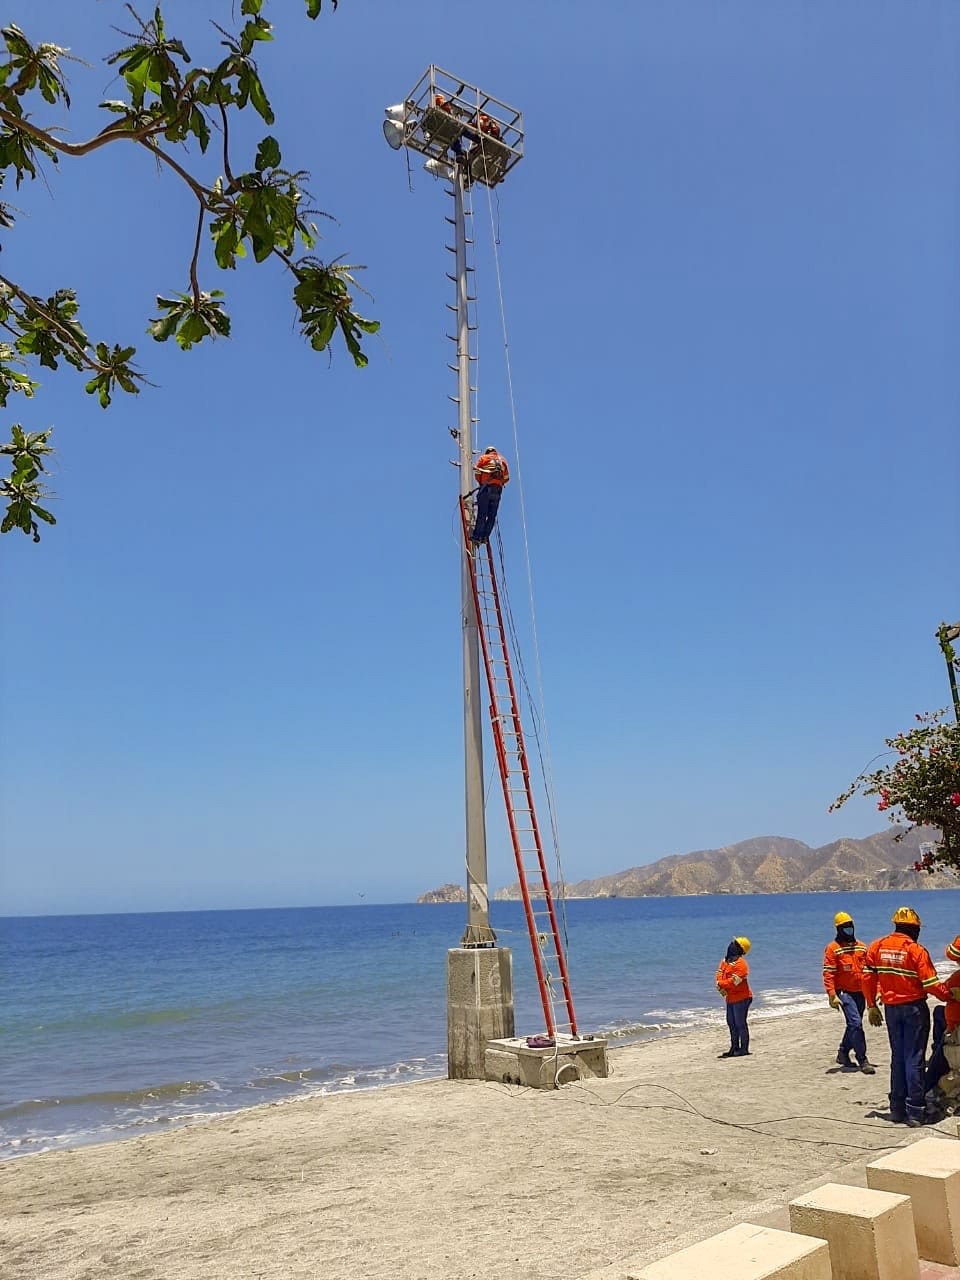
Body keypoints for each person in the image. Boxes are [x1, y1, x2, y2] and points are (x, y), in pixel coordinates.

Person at [863, 906, 950, 1127]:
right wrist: (949, 996)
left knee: (898, 1058)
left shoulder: (877, 946)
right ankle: (916, 1112)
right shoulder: (915, 951)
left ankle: (897, 1109)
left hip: (891, 1009)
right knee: (914, 1059)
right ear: (914, 928)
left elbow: (867, 978)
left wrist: (871, 1005)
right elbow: (931, 984)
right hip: (914, 1009)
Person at [822, 910, 876, 1074]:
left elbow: (870, 971)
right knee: (856, 1024)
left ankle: (843, 1052)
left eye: (850, 926)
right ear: (839, 929)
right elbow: (828, 973)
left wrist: (876, 990)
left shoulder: (861, 947)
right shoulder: (833, 949)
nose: (849, 929)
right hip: (844, 993)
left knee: (853, 1025)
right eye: (845, 927)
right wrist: (832, 995)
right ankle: (862, 1059)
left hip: (860, 992)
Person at [716, 936, 752, 1058]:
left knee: (740, 1024)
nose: (731, 945)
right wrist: (720, 983)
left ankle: (744, 1049)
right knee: (731, 1023)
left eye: (735, 944)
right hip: (731, 998)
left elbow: (734, 981)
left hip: (742, 998)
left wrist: (722, 984)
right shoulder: (725, 961)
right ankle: (734, 1047)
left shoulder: (741, 964)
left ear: (740, 949)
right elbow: (719, 973)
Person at [470, 446, 510, 545]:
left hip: (486, 489)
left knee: (482, 514)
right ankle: (485, 537)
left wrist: (482, 482)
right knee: (492, 516)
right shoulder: (502, 460)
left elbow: (477, 473)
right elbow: (506, 478)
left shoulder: (484, 458)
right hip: (497, 491)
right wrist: (498, 482)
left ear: (487, 452)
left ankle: (477, 536)